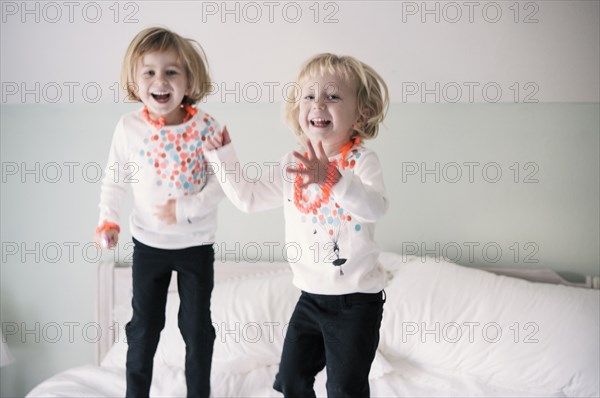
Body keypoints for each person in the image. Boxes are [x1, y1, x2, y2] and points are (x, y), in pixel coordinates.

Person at [205, 53, 389, 397]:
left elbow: (375, 208)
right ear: (298, 110)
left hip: (356, 303)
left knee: (344, 388)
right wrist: (223, 157)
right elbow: (249, 199)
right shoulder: (294, 165)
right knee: (291, 381)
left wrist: (333, 179)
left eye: (332, 96)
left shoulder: (362, 161)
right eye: (309, 96)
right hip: (310, 299)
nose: (318, 103)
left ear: (360, 113)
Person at [95, 27, 224, 398]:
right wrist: (109, 219)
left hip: (196, 245)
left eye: (171, 71)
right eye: (149, 72)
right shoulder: (129, 127)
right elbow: (114, 180)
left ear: (189, 79)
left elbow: (222, 185)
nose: (160, 81)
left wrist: (186, 208)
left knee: (196, 328)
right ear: (135, 81)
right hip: (148, 244)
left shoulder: (207, 128)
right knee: (144, 328)